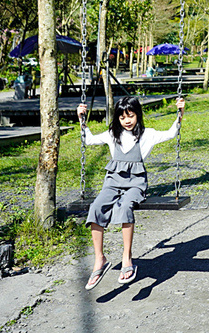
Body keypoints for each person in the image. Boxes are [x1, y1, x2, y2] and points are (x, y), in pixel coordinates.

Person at [76, 94, 185, 289]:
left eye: (131, 116)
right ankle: (100, 259)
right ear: (117, 119)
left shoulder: (147, 134)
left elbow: (171, 133)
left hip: (135, 184)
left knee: (125, 207)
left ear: (138, 115)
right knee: (96, 208)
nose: (127, 121)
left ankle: (127, 259)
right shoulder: (112, 134)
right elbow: (90, 140)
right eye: (122, 117)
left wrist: (180, 113)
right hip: (112, 181)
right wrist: (82, 120)